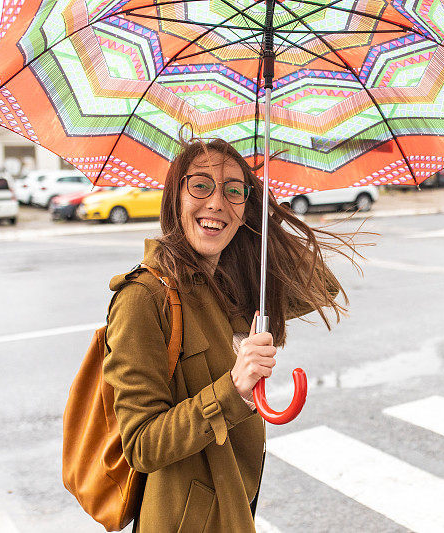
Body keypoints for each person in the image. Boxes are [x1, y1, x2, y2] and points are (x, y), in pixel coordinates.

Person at [102, 137, 358, 532]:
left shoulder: (232, 284)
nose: (217, 202)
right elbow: (142, 445)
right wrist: (234, 388)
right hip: (184, 521)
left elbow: (321, 286)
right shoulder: (143, 298)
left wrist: (263, 217)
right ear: (175, 197)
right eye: (201, 185)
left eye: (234, 191)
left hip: (234, 501)